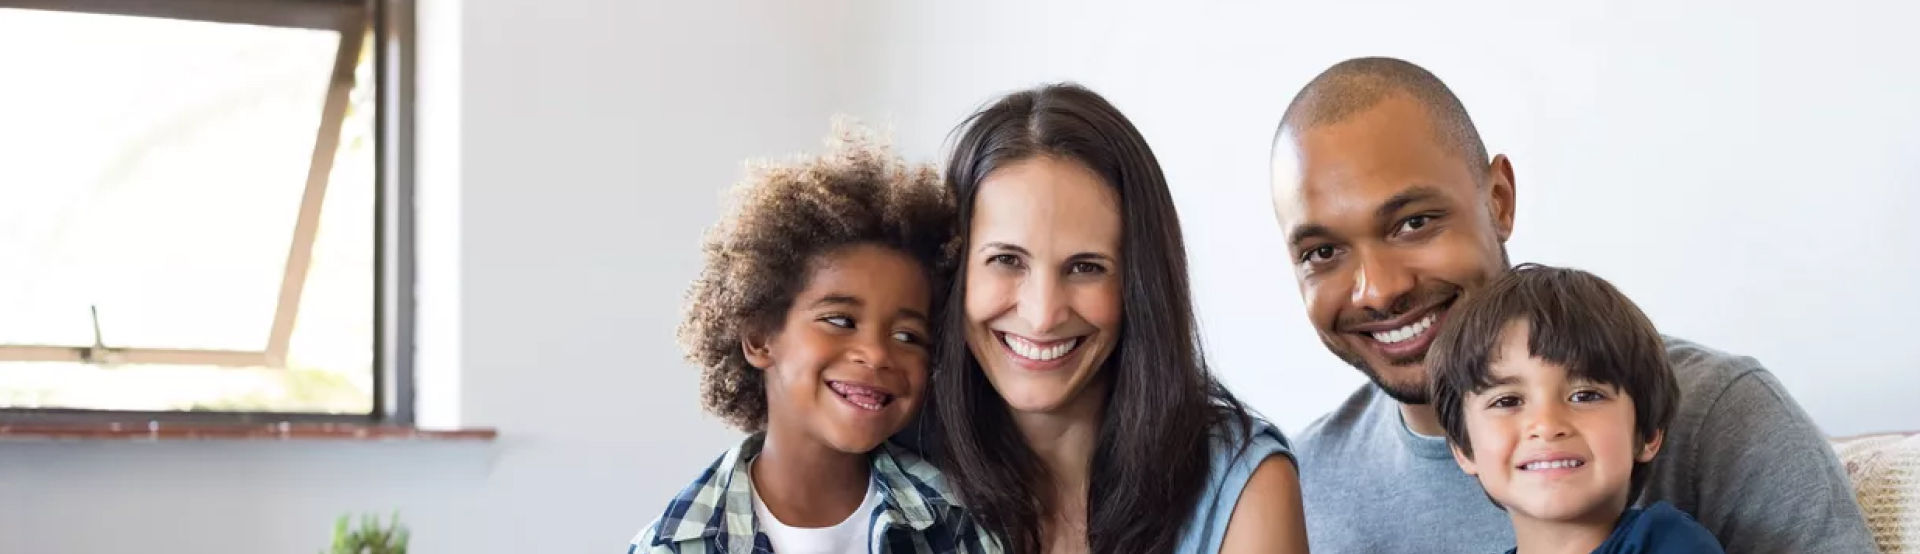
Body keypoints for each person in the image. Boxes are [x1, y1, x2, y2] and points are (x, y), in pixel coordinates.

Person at [1268, 56, 1873, 553]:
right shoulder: (1296, 489)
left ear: (1498, 200)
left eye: (1414, 222)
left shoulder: (1720, 413)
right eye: (1322, 252)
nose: (1378, 289)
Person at [932, 83, 1308, 554]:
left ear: (1140, 285)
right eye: (1007, 260)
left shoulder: (1243, 485)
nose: (1044, 314)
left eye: (1086, 267)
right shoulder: (893, 458)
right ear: (955, 266)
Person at [632, 127, 996, 553]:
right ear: (759, 337)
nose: (877, 354)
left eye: (906, 335)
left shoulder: (953, 518)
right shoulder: (676, 543)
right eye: (840, 320)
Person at [1429, 264, 1722, 553]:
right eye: (1507, 401)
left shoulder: (1671, 545)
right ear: (1464, 449)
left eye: (1585, 396)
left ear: (1646, 433)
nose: (1546, 424)